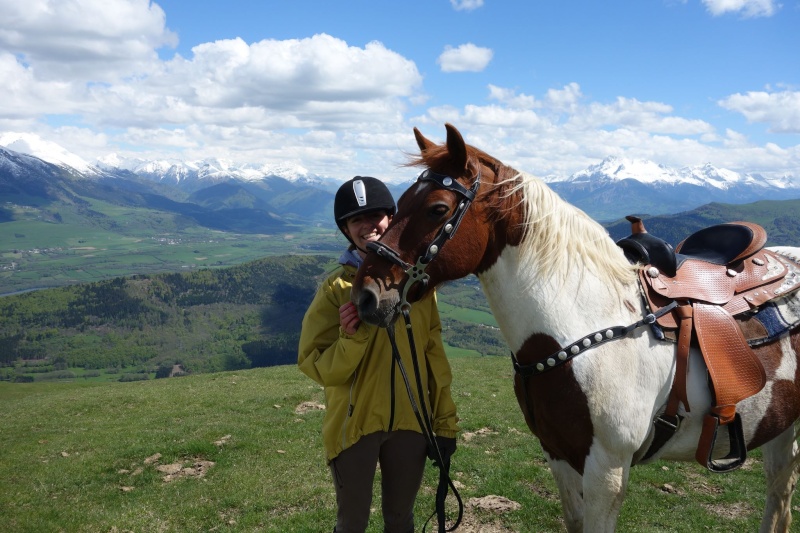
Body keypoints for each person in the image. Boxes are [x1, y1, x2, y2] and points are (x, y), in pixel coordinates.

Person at [298, 176, 459, 533]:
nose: (368, 226)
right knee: (352, 523)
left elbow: (434, 356)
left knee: (401, 520)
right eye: (357, 219)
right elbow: (319, 367)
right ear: (345, 229)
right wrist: (352, 338)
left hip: (411, 424)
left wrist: (444, 423)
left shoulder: (418, 287)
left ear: (392, 219)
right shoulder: (336, 291)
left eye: (376, 215)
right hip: (354, 427)